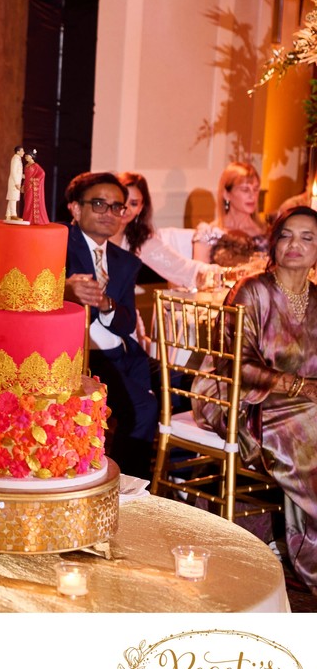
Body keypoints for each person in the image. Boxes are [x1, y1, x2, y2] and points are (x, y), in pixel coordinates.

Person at [192, 206, 317, 594]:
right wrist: (299, 387)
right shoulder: (251, 290)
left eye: (307, 238)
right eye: (286, 235)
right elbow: (238, 366)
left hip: (301, 406)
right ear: (275, 242)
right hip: (236, 399)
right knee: (309, 423)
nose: (295, 244)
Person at [63, 171, 158, 479]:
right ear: (76, 209)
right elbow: (30, 289)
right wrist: (67, 289)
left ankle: (172, 482)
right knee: (143, 409)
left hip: (122, 351)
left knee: (180, 389)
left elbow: (128, 319)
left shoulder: (124, 262)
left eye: (117, 207)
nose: (110, 213)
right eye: (99, 204)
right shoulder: (59, 243)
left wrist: (107, 306)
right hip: (82, 356)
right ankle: (128, 488)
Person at [113, 171, 223, 289]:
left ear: (141, 208)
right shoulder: (94, 231)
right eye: (121, 201)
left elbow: (182, 268)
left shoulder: (141, 240)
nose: (126, 208)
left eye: (133, 203)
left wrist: (225, 274)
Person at [192, 161, 269, 266]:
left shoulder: (266, 234)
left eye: (255, 189)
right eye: (245, 190)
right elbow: (199, 277)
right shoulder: (208, 233)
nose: (252, 196)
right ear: (226, 194)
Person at [21, 149, 48, 224]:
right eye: (25, 155)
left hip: (32, 188)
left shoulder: (35, 166)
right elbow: (26, 177)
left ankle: (31, 220)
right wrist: (23, 185)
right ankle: (27, 219)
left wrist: (34, 180)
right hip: (27, 187)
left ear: (32, 156)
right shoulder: (26, 166)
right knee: (27, 203)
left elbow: (42, 173)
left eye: (27, 155)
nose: (25, 157)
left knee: (30, 202)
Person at [6, 145, 24, 220]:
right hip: (14, 182)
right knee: (13, 198)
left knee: (12, 198)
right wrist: (16, 183)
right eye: (22, 151)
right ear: (18, 151)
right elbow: (13, 171)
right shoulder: (15, 159)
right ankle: (13, 215)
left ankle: (8, 214)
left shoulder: (18, 159)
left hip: (16, 181)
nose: (23, 152)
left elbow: (18, 172)